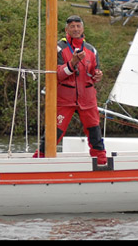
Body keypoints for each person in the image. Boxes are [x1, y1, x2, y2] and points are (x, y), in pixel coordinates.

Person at [35, 15, 106, 164]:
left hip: (87, 99)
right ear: (66, 29)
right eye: (72, 26)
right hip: (64, 98)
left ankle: (101, 162)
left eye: (78, 26)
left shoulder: (91, 50)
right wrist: (72, 62)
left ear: (83, 28)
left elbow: (93, 73)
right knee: (53, 133)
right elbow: (58, 75)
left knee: (95, 132)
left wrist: (97, 75)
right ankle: (38, 161)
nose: (75, 29)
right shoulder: (59, 48)